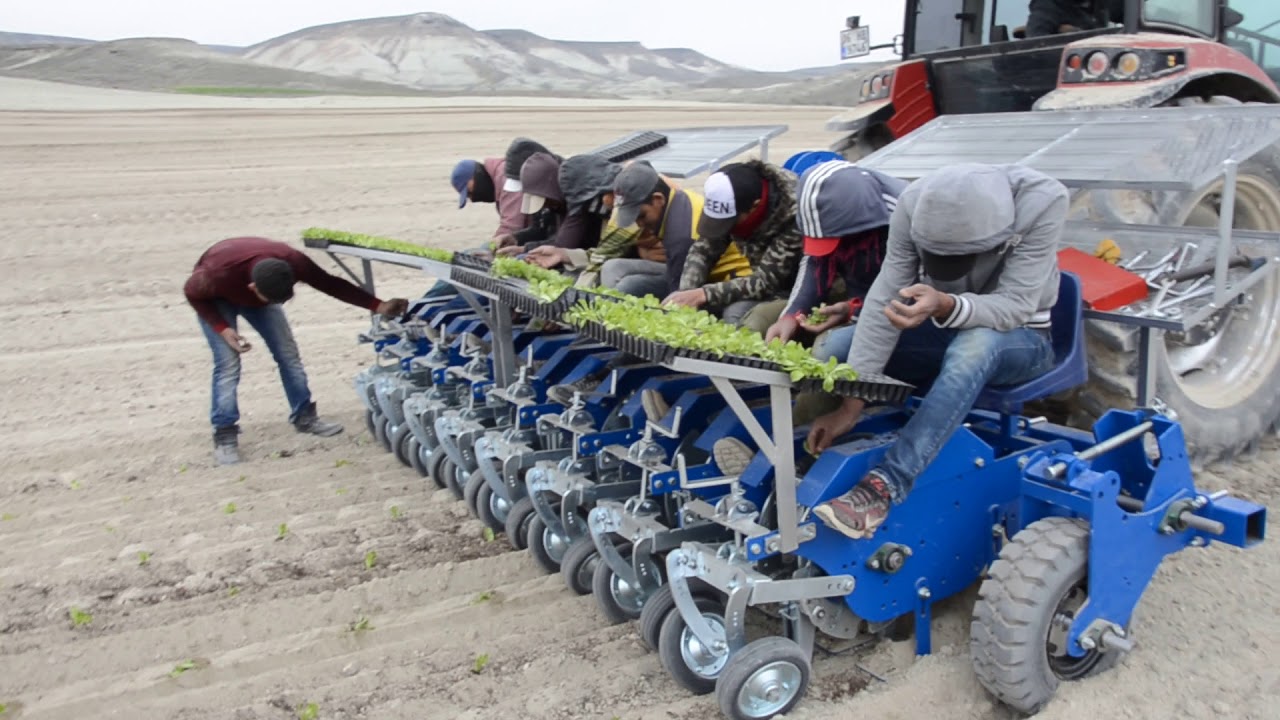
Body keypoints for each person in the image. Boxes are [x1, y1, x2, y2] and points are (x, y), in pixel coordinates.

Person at [806, 163, 1067, 539]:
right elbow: (886, 296)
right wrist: (851, 405)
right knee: (839, 345)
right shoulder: (914, 203)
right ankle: (818, 451)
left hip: (1022, 336)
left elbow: (1015, 306)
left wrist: (945, 304)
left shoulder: (1042, 202)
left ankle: (887, 482)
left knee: (975, 346)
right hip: (947, 324)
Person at [184, 236, 409, 466]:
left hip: (252, 286)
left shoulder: (293, 262)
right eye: (271, 300)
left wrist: (378, 305)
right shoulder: (214, 275)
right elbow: (192, 294)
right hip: (216, 299)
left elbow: (330, 283)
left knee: (288, 354)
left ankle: (305, 417)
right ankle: (225, 435)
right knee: (228, 364)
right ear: (253, 288)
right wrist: (222, 329)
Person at [764, 161, 908, 356]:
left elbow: (911, 296)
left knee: (830, 348)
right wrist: (791, 315)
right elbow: (815, 262)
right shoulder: (828, 217)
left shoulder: (903, 217)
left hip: (911, 316)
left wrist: (853, 310)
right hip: (864, 302)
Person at [664, 160, 803, 334]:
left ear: (754, 207)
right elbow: (703, 249)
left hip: (797, 291)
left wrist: (703, 294)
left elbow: (766, 282)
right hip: (761, 282)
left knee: (737, 314)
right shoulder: (732, 193)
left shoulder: (794, 216)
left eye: (730, 222)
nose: (726, 229)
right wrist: (686, 293)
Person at [602, 161, 752, 298]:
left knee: (629, 287)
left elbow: (680, 298)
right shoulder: (675, 198)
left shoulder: (682, 236)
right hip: (687, 271)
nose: (639, 224)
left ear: (658, 199)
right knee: (614, 269)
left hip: (724, 283)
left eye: (641, 216)